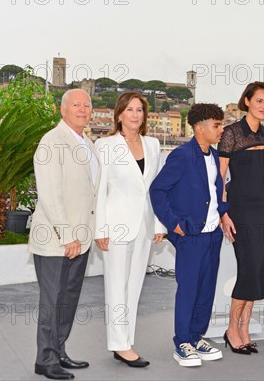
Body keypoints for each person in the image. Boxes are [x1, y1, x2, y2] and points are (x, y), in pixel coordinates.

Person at [150, 104, 232, 367]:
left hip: (212, 235)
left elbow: (216, 193)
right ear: (200, 128)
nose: (221, 129)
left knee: (206, 289)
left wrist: (223, 215)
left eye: (221, 124)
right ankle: (182, 342)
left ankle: (197, 336)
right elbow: (158, 191)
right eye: (216, 125)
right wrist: (174, 225)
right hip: (191, 236)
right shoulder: (182, 156)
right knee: (189, 289)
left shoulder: (214, 155)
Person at [29, 89, 100, 380]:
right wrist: (67, 235)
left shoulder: (88, 143)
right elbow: (50, 195)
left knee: (68, 298)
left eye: (87, 105)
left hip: (80, 240)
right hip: (58, 240)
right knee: (52, 299)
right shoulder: (51, 142)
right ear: (63, 110)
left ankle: (58, 351)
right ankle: (44, 359)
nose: (83, 109)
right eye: (76, 105)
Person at [94, 92, 167, 367]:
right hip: (116, 226)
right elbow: (100, 190)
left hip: (145, 225)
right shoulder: (105, 145)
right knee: (116, 285)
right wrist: (100, 228)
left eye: (140, 110)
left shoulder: (153, 144)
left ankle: (126, 341)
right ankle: (120, 344)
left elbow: (155, 189)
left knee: (134, 286)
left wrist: (159, 224)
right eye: (130, 109)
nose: (136, 115)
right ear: (120, 114)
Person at [218, 82, 264, 354]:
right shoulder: (231, 133)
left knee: (259, 270)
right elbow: (219, 177)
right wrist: (222, 212)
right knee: (247, 270)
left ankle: (245, 327)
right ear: (248, 101)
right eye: (259, 101)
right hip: (240, 210)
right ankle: (232, 329)